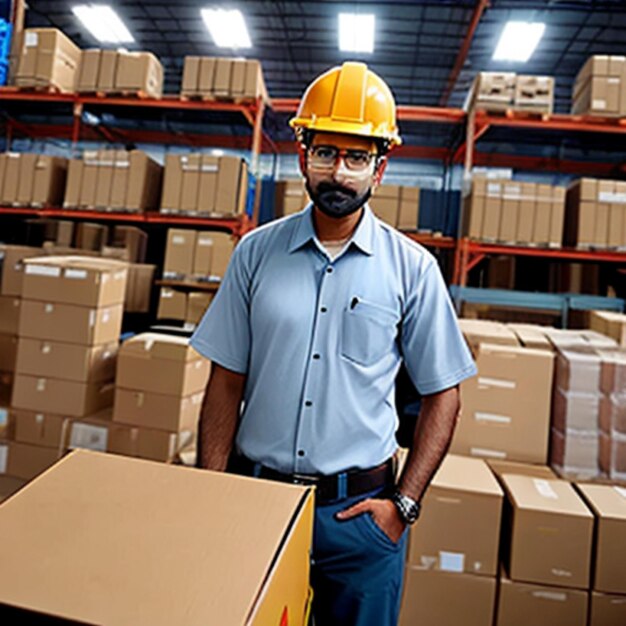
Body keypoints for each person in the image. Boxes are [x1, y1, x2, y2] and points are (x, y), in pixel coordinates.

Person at [191, 61, 477, 626]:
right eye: (326, 154)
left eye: (357, 157)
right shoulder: (254, 254)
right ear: (303, 157)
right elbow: (225, 380)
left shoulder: (412, 270)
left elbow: (445, 395)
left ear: (380, 168)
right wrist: (210, 490)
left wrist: (404, 506)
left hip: (360, 521)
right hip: (257, 504)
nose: (338, 173)